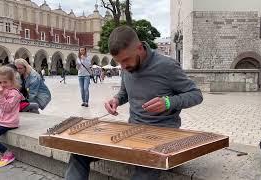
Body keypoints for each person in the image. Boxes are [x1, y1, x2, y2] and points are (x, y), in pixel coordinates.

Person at [65, 26, 203, 180]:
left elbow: (196, 95)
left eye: (125, 60)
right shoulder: (126, 67)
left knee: (145, 166)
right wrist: (116, 99)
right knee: (79, 152)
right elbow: (125, 93)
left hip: (162, 137)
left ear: (139, 48)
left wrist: (169, 102)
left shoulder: (167, 66)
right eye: (119, 62)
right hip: (132, 132)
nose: (123, 67)